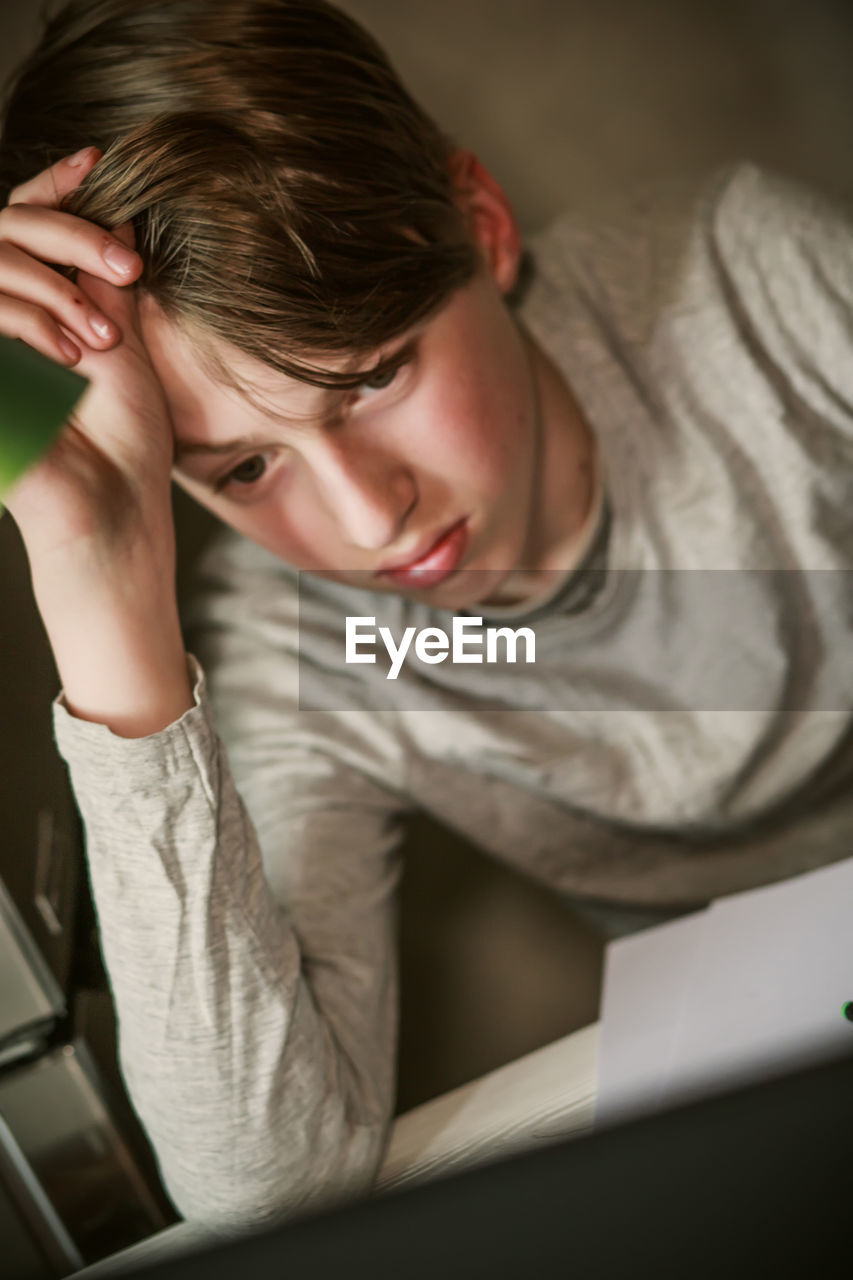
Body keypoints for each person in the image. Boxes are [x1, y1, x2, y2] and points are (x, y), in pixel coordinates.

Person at [1, 0, 852, 1233]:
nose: (367, 519)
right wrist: (96, 574)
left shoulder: (749, 282)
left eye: (375, 374)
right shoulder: (302, 653)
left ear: (484, 226)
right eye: (243, 469)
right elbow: (267, 1188)